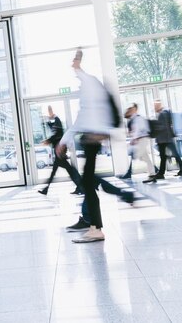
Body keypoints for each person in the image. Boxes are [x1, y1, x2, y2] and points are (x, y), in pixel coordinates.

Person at [56, 49, 125, 243]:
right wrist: (64, 141)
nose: (73, 66)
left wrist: (78, 62)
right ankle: (94, 225)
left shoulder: (91, 83)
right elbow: (80, 120)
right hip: (90, 139)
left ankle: (96, 227)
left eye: (75, 63)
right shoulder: (89, 88)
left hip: (91, 140)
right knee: (88, 182)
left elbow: (89, 116)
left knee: (87, 182)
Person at [37, 106, 84, 196]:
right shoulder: (55, 123)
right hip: (59, 151)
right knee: (67, 171)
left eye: (50, 111)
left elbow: (57, 134)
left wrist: (48, 141)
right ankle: (80, 187)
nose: (49, 113)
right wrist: (47, 121)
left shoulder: (57, 121)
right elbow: (53, 129)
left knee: (69, 171)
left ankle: (81, 187)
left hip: (60, 152)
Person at [143, 100, 182, 183]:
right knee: (165, 156)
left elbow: (163, 126)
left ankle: (164, 172)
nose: (154, 108)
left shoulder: (163, 113)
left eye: (155, 106)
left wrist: (153, 127)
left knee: (168, 155)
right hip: (164, 138)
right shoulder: (163, 113)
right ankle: (175, 170)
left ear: (159, 106)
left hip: (164, 139)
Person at [123, 103, 156, 180]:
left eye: (131, 109)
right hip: (140, 140)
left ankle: (153, 172)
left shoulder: (138, 118)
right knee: (145, 157)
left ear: (134, 110)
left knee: (137, 155)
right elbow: (135, 130)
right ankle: (152, 174)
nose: (130, 111)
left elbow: (139, 129)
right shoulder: (133, 119)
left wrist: (134, 139)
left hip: (142, 139)